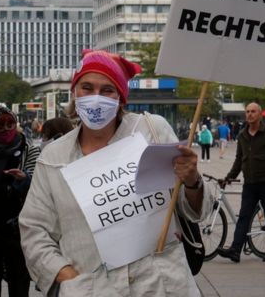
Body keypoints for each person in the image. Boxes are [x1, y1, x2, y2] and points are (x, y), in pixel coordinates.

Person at [19, 49, 214, 296]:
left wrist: (192, 180)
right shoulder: (53, 157)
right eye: (87, 88)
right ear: (74, 93)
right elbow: (34, 230)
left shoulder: (151, 131)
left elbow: (192, 210)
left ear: (121, 97)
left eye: (107, 90)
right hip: (92, 289)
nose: (96, 98)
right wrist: (66, 276)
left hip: (161, 286)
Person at [0, 106, 41, 297]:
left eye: (10, 123)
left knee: (18, 281)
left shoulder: (28, 150)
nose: (6, 128)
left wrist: (23, 180)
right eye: (0, 124)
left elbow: (36, 183)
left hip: (17, 227)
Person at [217, 103, 265, 263]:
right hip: (250, 184)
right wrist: (229, 177)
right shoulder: (242, 135)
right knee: (244, 216)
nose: (250, 114)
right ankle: (235, 250)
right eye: (247, 112)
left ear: (260, 115)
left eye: (253, 112)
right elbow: (239, 160)